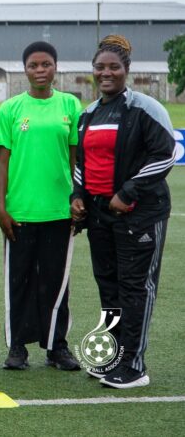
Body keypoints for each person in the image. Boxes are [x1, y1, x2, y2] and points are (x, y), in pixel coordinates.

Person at [71, 35, 174, 389]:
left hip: (139, 214)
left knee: (135, 288)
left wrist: (127, 192)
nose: (106, 73)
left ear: (127, 70)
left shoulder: (145, 108)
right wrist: (78, 195)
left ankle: (134, 366)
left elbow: (165, 155)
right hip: (100, 216)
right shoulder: (89, 113)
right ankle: (111, 357)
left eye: (113, 67)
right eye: (100, 67)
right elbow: (82, 163)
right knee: (109, 287)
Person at [0, 41, 82, 371]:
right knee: (19, 281)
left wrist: (77, 198)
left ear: (55, 68)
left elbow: (76, 159)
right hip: (20, 213)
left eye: (46, 64)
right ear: (25, 70)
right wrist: (0, 208)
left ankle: (57, 346)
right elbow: (2, 161)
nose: (40, 70)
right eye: (33, 65)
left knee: (56, 283)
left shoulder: (70, 105)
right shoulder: (10, 110)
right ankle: (18, 347)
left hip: (59, 212)